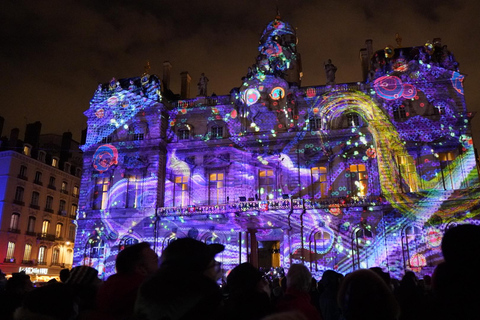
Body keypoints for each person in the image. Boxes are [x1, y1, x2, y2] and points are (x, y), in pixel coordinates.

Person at [134, 237, 224, 320]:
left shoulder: (148, 289)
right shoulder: (207, 299)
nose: (217, 268)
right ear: (199, 268)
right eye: (212, 263)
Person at [94, 242, 158, 320]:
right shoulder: (144, 291)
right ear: (140, 268)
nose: (159, 266)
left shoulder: (107, 287)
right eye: (155, 261)